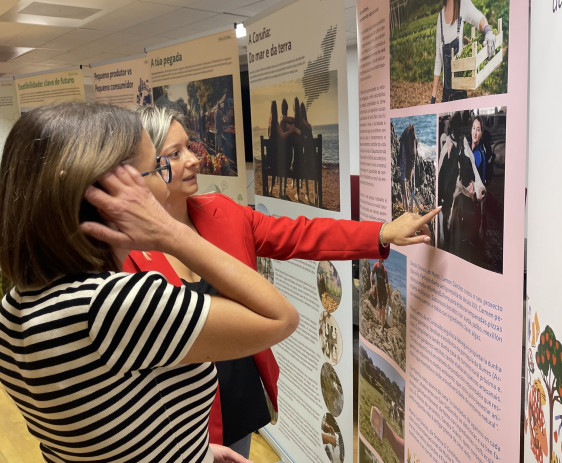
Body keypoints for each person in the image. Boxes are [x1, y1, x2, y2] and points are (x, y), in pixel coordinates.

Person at [127, 105, 440, 455]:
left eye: (190, 146)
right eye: (175, 153)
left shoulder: (223, 213)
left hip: (240, 404)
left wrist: (381, 233)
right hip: (177, 426)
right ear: (145, 167)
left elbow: (301, 235)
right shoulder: (123, 253)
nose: (194, 159)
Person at [0, 102, 298, 462]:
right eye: (155, 168)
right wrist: (172, 233)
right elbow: (280, 318)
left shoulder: (16, 306)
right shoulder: (112, 304)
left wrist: (194, 451)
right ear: (113, 197)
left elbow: (110, 429)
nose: (164, 180)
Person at [430, 0, 496, 103]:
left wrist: (488, 31)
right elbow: (439, 58)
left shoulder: (463, 4)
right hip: (446, 91)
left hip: (459, 91)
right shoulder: (440, 18)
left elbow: (479, 19)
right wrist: (433, 96)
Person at [371, 259, 391, 328]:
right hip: (378, 291)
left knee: (383, 309)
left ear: (382, 262)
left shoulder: (384, 270)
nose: (379, 263)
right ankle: (382, 321)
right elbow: (372, 274)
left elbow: (387, 282)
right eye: (379, 261)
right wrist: (372, 287)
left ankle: (382, 326)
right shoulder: (375, 265)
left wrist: (389, 293)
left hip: (384, 292)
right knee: (380, 309)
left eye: (381, 261)